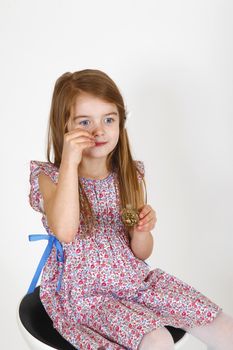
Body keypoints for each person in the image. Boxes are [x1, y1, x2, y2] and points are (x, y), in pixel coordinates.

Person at [28, 69, 233, 350]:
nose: (98, 130)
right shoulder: (50, 177)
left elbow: (141, 253)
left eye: (108, 119)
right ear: (64, 127)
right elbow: (65, 231)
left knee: (222, 324)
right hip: (88, 295)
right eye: (84, 121)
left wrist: (142, 231)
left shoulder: (128, 175)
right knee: (157, 339)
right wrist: (70, 162)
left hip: (137, 283)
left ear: (120, 123)